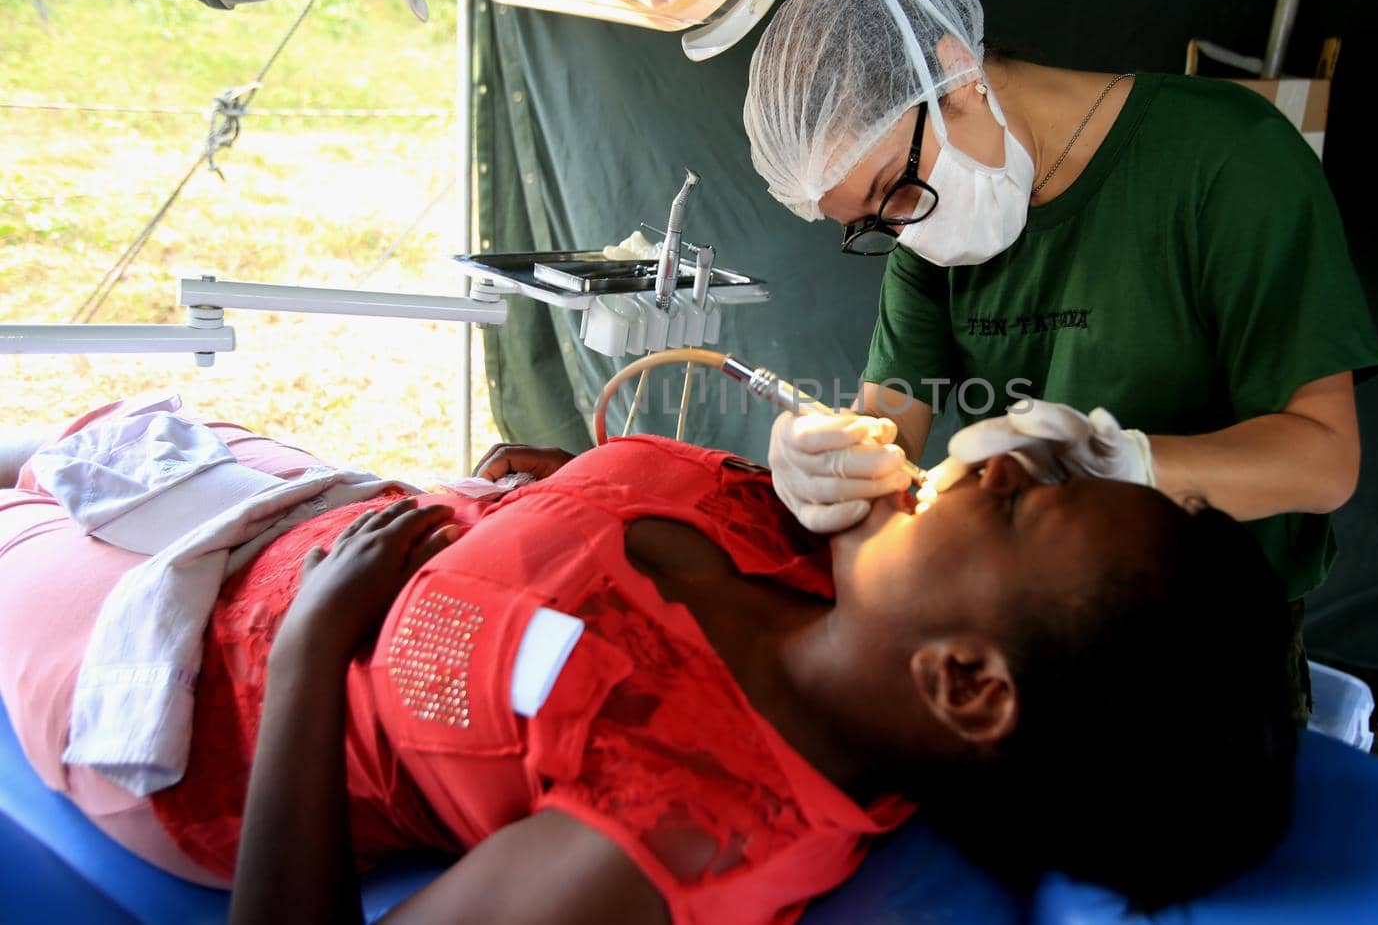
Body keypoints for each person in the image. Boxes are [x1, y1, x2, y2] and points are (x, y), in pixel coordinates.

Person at [0, 396, 1295, 924]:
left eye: (1019, 504)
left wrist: (309, 653)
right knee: (68, 439)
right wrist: (551, 490)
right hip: (327, 518)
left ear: (965, 682)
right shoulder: (822, 562)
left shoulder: (676, 830)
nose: (1001, 456)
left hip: (194, 689)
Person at [742, 0, 1378, 720]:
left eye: (895, 192)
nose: (904, 228)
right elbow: (887, 432)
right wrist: (826, 457)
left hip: (1213, 649)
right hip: (1035, 641)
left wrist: (1128, 466)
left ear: (955, 74)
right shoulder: (932, 231)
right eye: (875, 224)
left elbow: (1325, 460)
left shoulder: (1229, 162)